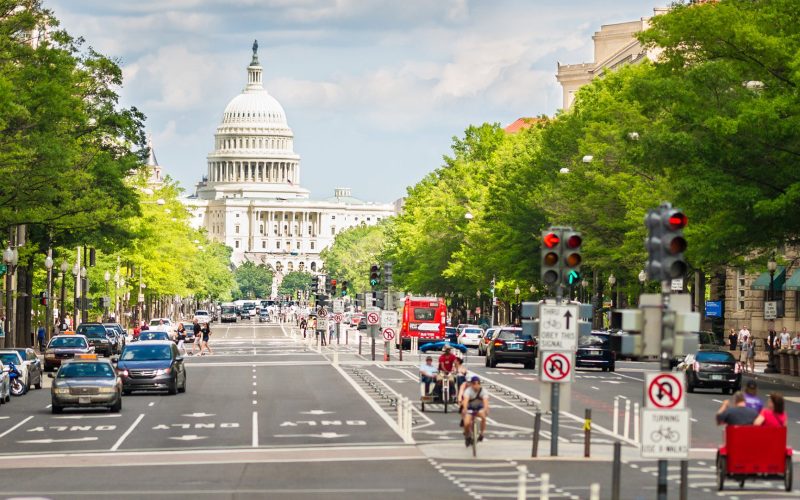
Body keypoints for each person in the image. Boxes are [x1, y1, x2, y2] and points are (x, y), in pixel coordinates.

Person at [462, 376, 489, 446]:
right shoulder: (468, 391)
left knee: (483, 417)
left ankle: (481, 433)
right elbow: (465, 401)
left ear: (479, 384)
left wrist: (485, 410)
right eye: (474, 383)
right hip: (470, 408)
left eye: (477, 383)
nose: (475, 385)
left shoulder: (483, 391)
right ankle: (467, 436)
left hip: (479, 408)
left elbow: (486, 402)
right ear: (471, 384)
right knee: (466, 423)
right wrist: (465, 409)